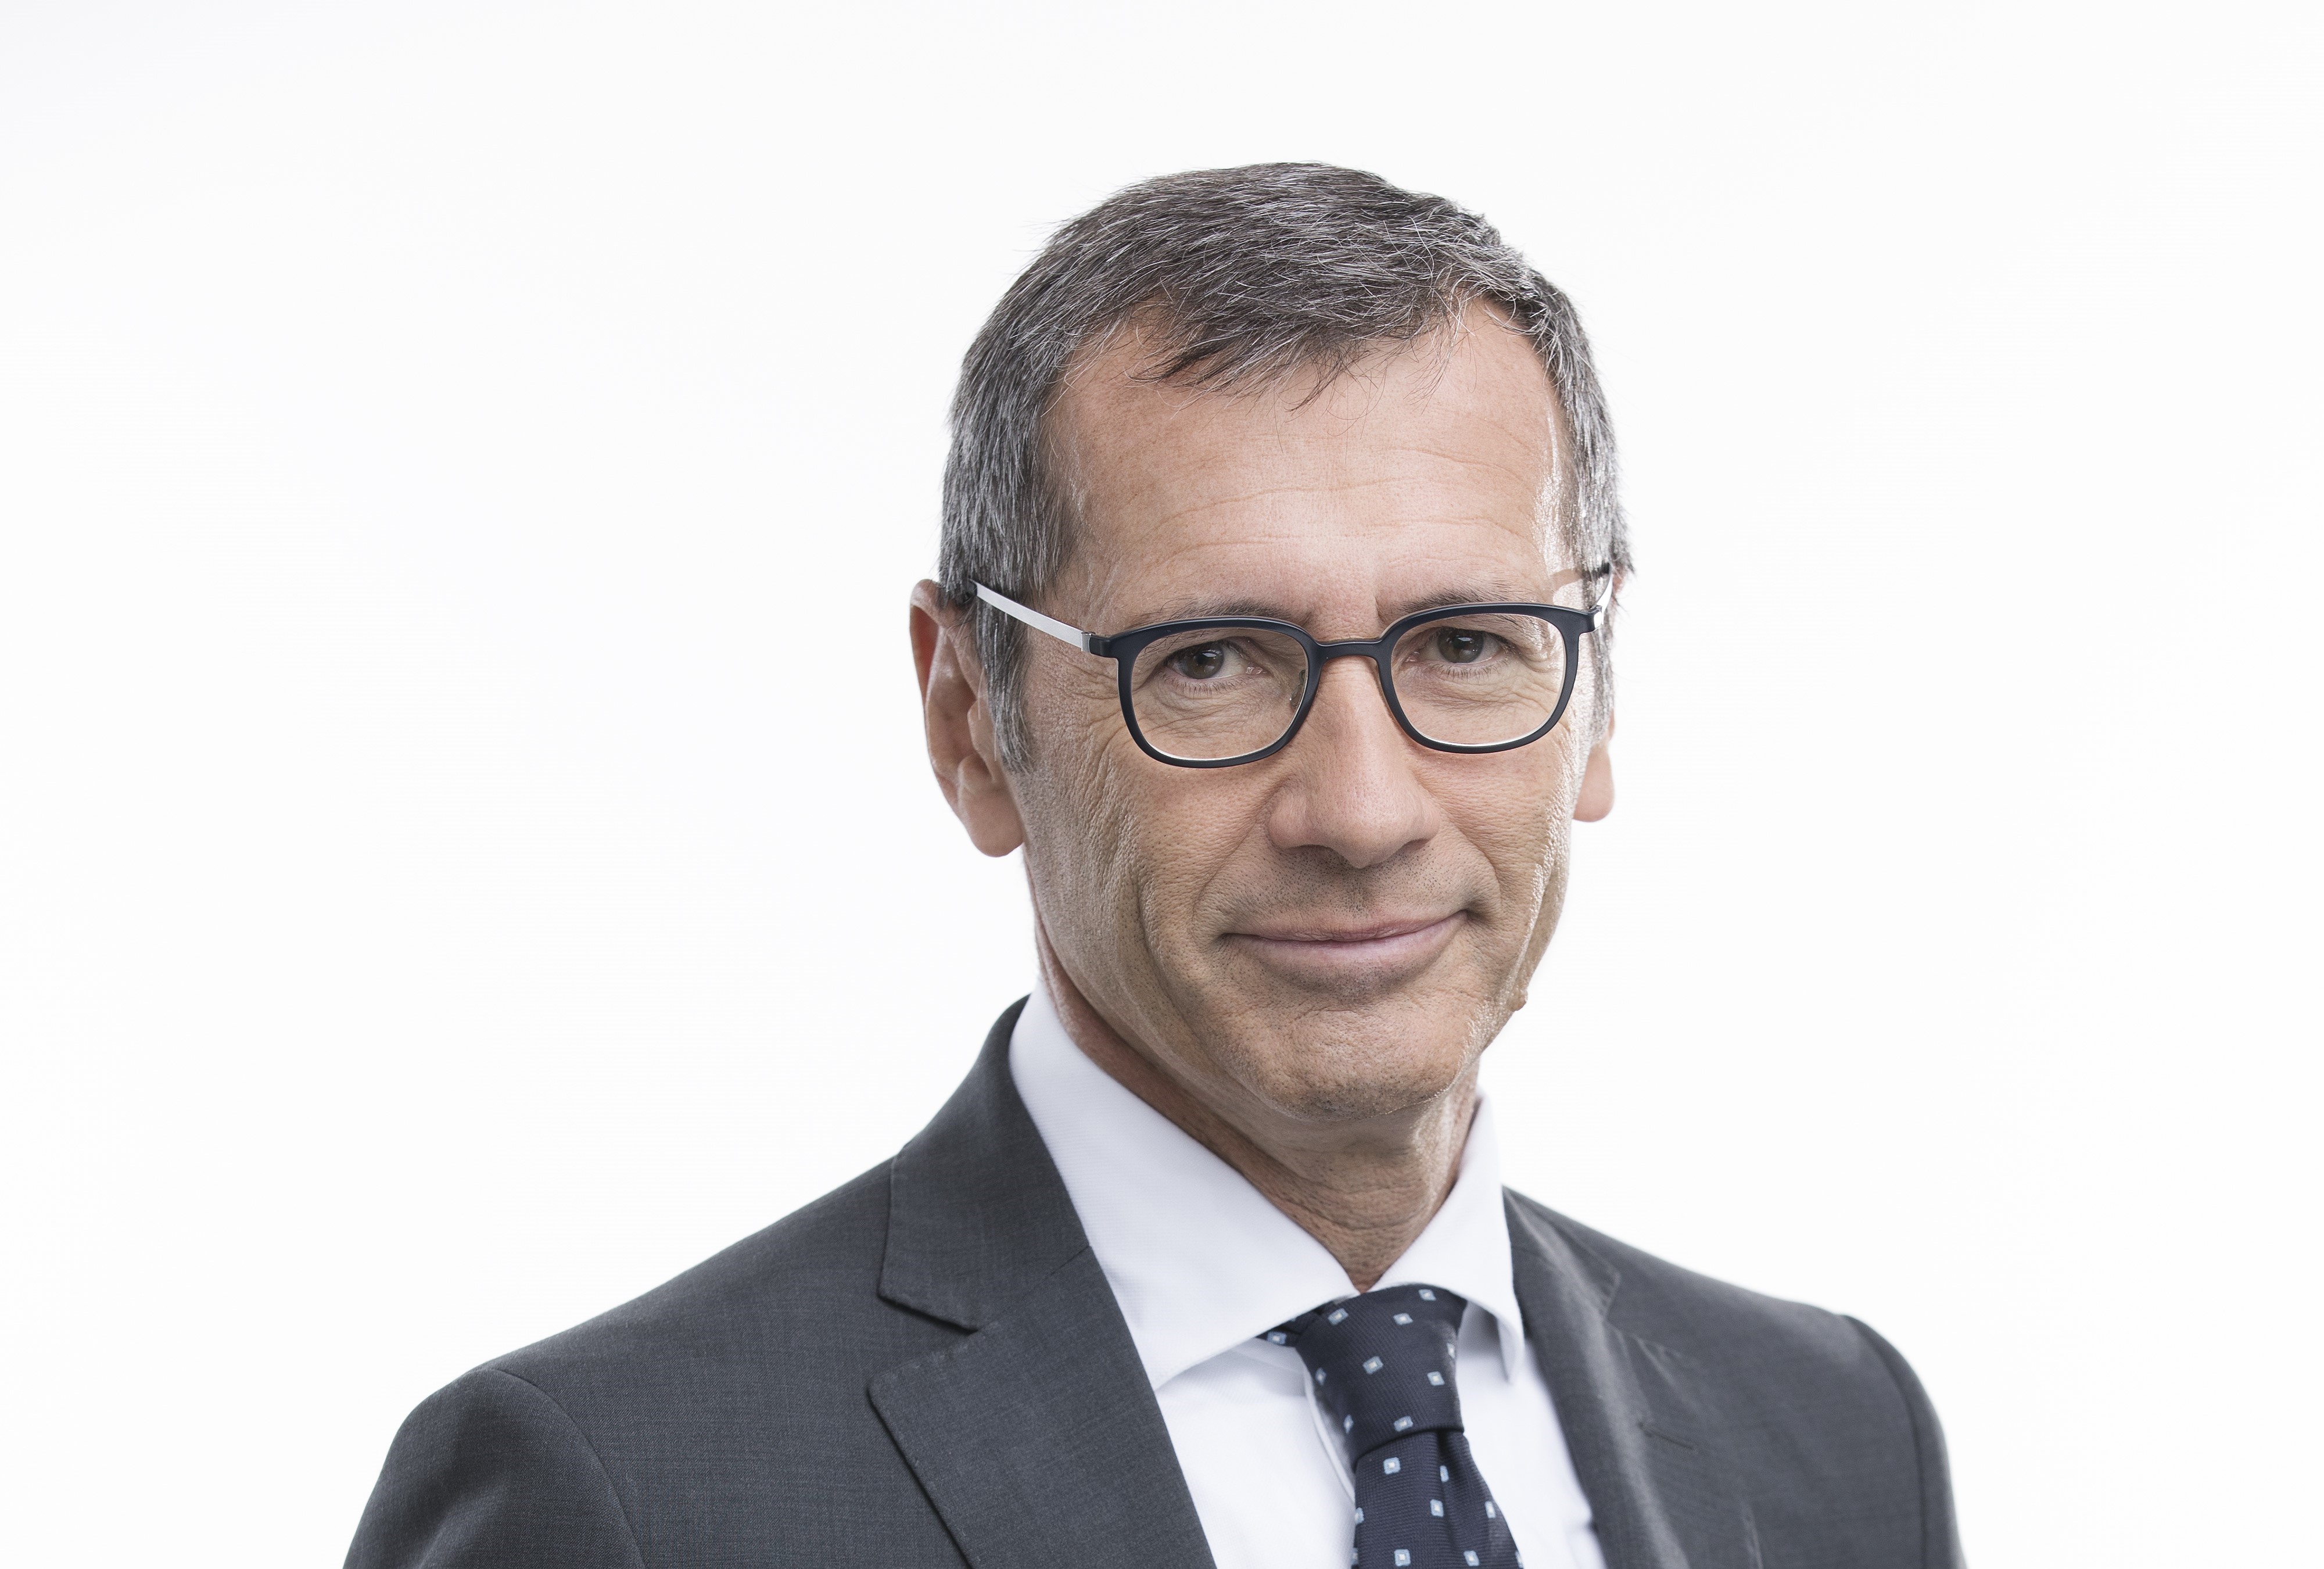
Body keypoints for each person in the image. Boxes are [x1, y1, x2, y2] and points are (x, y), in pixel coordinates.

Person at [345, 163, 1963, 1569]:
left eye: (1468, 643)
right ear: (971, 721)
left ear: (1598, 690)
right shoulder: (624, 1496)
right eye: (1211, 662)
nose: (1363, 810)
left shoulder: (1832, 1441)